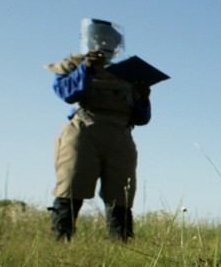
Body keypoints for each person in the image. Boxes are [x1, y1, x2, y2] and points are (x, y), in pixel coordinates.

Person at [46, 18, 151, 241]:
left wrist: (143, 98)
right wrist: (86, 70)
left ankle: (122, 245)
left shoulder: (129, 73)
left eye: (110, 40)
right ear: (89, 39)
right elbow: (65, 93)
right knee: (71, 185)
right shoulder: (73, 65)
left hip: (120, 137)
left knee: (121, 193)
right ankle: (60, 242)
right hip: (84, 133)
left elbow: (142, 118)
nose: (105, 43)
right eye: (100, 38)